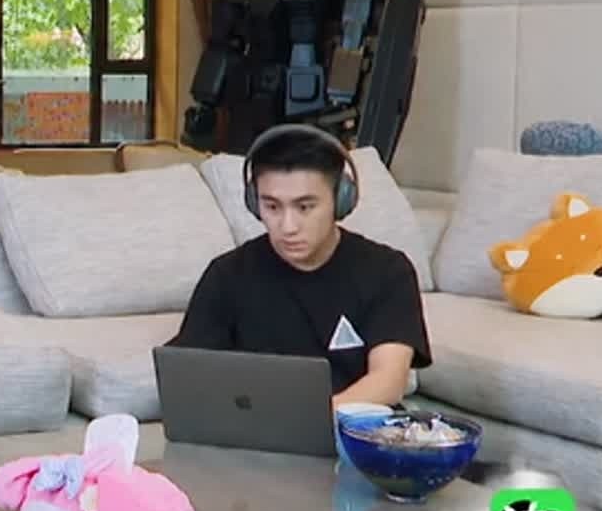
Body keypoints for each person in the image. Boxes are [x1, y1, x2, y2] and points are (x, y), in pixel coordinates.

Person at [170, 124, 430, 407]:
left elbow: (388, 382)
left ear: (341, 201)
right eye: (272, 207)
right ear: (254, 204)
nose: (288, 227)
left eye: (305, 207)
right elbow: (187, 374)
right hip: (259, 428)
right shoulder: (227, 275)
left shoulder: (387, 271)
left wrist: (309, 420)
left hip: (354, 426)